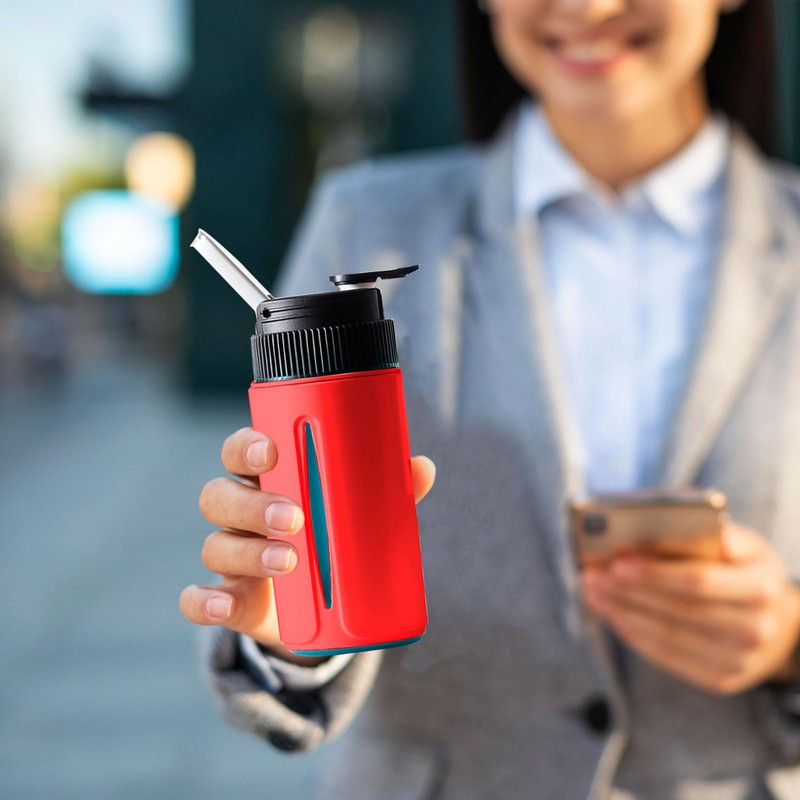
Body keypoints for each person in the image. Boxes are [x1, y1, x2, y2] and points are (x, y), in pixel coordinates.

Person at [179, 0, 800, 797]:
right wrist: (294, 625)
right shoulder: (365, 225)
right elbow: (292, 588)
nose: (589, 7)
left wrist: (788, 639)